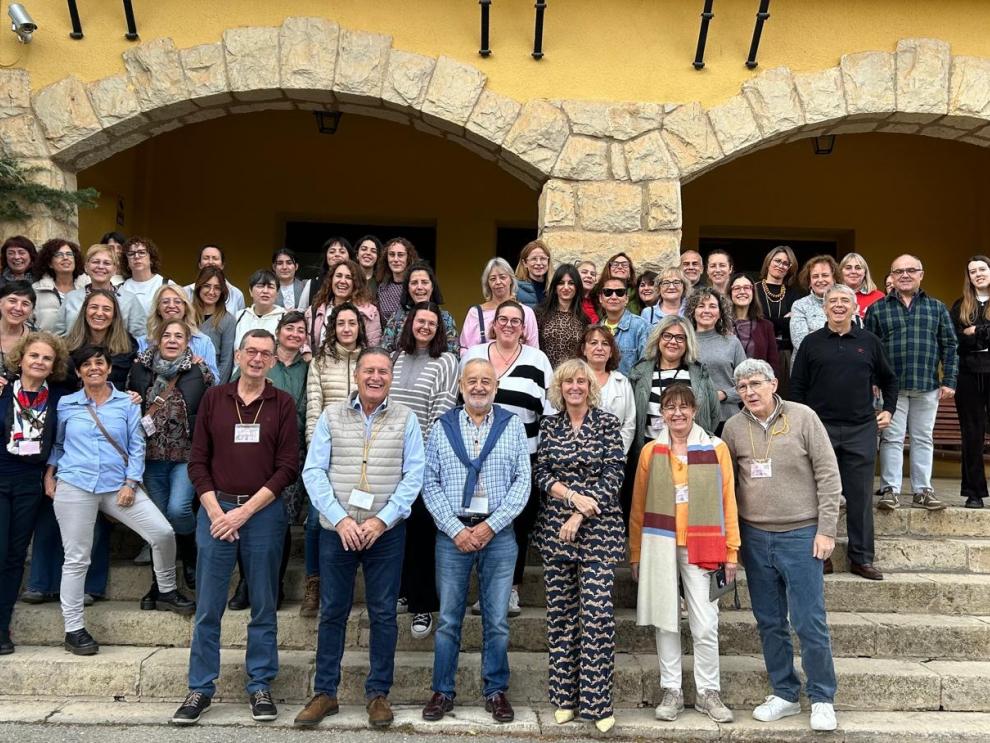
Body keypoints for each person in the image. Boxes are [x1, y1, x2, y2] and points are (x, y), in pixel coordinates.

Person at [172, 329, 299, 726]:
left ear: (274, 361)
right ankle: (200, 688)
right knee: (208, 607)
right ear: (239, 355)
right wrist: (215, 510)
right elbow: (197, 461)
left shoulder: (282, 403)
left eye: (266, 353)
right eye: (251, 352)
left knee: (263, 604)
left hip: (262, 515)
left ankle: (260, 684)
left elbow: (287, 468)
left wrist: (243, 514)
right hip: (216, 510)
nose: (258, 359)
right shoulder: (214, 399)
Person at [297, 348, 425, 730]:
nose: (375, 377)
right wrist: (338, 519)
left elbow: (413, 474)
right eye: (369, 370)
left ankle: (378, 694)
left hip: (385, 533)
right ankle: (325, 692)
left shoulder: (406, 418)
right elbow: (314, 471)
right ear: (357, 376)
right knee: (333, 610)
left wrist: (383, 520)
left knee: (384, 613)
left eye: (383, 371)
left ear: (391, 377)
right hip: (338, 532)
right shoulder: (331, 416)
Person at [48, 344, 194, 656]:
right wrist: (50, 474)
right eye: (86, 365)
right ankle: (73, 629)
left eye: (99, 363)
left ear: (109, 367)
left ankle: (166, 589)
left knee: (163, 532)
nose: (93, 369)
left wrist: (132, 482)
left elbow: (136, 444)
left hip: (118, 486)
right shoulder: (66, 405)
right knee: (76, 559)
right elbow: (57, 444)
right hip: (75, 485)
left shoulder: (125, 403)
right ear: (78, 372)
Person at [721, 359, 841, 733]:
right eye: (742, 387)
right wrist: (733, 540)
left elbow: (828, 474)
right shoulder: (733, 427)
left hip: (802, 534)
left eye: (755, 384)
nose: (749, 392)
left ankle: (822, 697)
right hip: (755, 538)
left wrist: (827, 530)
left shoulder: (804, 417)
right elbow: (727, 486)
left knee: (809, 621)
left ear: (773, 383)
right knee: (769, 622)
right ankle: (786, 693)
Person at [419, 358, 530, 723]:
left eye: (486, 381)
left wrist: (490, 527)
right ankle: (442, 691)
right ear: (461, 386)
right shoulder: (442, 427)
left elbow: (522, 484)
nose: (479, 386)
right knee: (449, 619)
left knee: (496, 620)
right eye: (472, 381)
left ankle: (495, 691)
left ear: (495, 387)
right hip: (452, 536)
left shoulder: (512, 426)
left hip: (498, 535)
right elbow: (429, 482)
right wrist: (455, 529)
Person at [629, 384, 739, 724]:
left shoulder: (716, 448)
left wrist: (731, 552)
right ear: (661, 413)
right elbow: (638, 506)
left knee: (705, 624)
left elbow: (727, 501)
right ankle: (672, 690)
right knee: (666, 621)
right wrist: (635, 553)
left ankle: (708, 692)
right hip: (660, 545)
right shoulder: (651, 451)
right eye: (670, 407)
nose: (677, 413)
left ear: (695, 410)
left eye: (684, 407)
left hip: (704, 545)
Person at [533, 359, 625, 733]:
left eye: (581, 381)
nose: (575, 387)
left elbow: (615, 473)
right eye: (568, 381)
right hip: (556, 531)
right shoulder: (549, 425)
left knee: (597, 614)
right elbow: (541, 472)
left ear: (590, 386)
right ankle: (564, 698)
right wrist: (570, 498)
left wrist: (580, 514)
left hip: (599, 530)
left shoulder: (606, 423)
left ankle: (598, 703)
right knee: (561, 615)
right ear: (560, 386)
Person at [25, 289, 134, 600]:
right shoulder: (67, 346)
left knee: (97, 518)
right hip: (67, 425)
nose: (100, 313)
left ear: (115, 315)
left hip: (108, 431)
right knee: (53, 509)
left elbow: (133, 384)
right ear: (85, 310)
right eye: (94, 307)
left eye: (107, 309)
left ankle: (91, 585)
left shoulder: (127, 347)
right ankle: (42, 582)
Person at [791, 284, 898, 580]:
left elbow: (890, 380)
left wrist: (888, 408)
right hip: (819, 428)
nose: (838, 305)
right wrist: (802, 422)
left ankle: (861, 558)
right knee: (816, 495)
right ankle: (820, 556)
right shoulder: (812, 343)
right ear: (824, 308)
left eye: (844, 301)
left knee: (860, 495)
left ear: (854, 307)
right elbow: (797, 385)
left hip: (860, 428)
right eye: (832, 301)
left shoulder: (869, 341)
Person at [463, 300, 554, 617]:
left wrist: (542, 454)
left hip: (522, 461)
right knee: (480, 522)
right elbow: (459, 400)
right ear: (493, 323)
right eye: (503, 319)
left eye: (516, 320)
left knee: (516, 527)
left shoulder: (537, 360)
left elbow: (550, 410)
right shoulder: (474, 355)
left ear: (524, 326)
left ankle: (511, 591)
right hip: (476, 461)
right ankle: (485, 590)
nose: (509, 325)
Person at [227, 312, 309, 613]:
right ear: (279, 332)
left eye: (302, 330)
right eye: (290, 328)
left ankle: (273, 583)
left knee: (281, 519)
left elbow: (304, 406)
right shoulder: (253, 365)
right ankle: (246, 581)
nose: (296, 334)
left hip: (290, 450)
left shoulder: (308, 368)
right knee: (245, 515)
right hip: (249, 451)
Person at [127, 319, 215, 597]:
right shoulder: (140, 367)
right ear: (158, 338)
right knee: (160, 520)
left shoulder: (199, 370)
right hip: (151, 457)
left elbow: (211, 409)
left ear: (187, 341)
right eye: (167, 335)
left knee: (179, 509)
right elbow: (129, 403)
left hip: (185, 455)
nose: (173, 340)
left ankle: (189, 556)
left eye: (179, 336)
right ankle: (160, 580)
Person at [388, 302, 459, 639]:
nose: (425, 327)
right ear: (410, 323)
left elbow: (442, 411)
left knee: (421, 531)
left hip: (424, 459)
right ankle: (402, 589)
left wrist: (418, 459)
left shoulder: (446, 361)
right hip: (390, 458)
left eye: (432, 322)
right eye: (421, 321)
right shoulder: (395, 359)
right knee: (394, 528)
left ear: (439, 328)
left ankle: (423, 605)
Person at [866, 254, 958, 512]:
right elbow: (869, 350)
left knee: (922, 438)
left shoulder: (937, 308)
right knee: (892, 438)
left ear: (921, 274)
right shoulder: (878, 308)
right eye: (899, 271)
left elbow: (950, 346)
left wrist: (949, 379)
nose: (904, 275)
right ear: (891, 277)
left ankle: (922, 490)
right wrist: (872, 380)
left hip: (927, 384)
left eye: (911, 270)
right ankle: (890, 490)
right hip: (890, 387)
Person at [0, 331, 68, 654]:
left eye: (46, 358)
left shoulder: (58, 399)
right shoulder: (2, 392)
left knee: (15, 557)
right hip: (0, 478)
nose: (39, 362)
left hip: (31, 482)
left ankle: (2, 628)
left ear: (53, 366)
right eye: (34, 356)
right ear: (21, 358)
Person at [301, 302, 368, 618]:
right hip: (328, 452)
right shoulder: (320, 362)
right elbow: (314, 408)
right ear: (333, 327)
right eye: (340, 323)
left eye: (352, 323)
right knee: (317, 519)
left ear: (359, 326)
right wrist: (316, 452)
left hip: (365, 453)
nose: (346, 328)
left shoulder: (370, 360)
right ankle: (314, 581)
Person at [629, 316, 720, 451]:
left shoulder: (699, 373)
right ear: (658, 338)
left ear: (687, 342)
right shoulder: (639, 372)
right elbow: (630, 416)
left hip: (691, 451)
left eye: (680, 338)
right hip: (650, 450)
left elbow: (714, 413)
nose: (673, 342)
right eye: (667, 336)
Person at [951, 256, 990, 509]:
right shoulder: (960, 306)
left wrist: (976, 331)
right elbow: (956, 341)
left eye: (983, 269)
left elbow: (970, 336)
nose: (978, 274)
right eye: (973, 271)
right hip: (967, 374)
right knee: (972, 434)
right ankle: (974, 492)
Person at [687, 287, 747, 434]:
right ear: (692, 312)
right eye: (701, 306)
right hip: (690, 419)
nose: (706, 310)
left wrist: (723, 395)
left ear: (720, 313)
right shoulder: (684, 342)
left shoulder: (732, 342)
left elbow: (747, 383)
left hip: (727, 419)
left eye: (712, 306)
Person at [55, 244, 143, 337]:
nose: (100, 267)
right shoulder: (71, 298)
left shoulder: (129, 300)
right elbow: (59, 335)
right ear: (86, 267)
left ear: (115, 269)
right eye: (96, 262)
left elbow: (140, 337)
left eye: (107, 263)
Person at [137, 284, 220, 382]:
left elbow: (215, 381)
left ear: (185, 308)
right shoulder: (144, 341)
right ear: (158, 309)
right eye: (165, 302)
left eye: (177, 301)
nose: (171, 306)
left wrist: (201, 369)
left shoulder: (203, 342)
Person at [459, 258, 539, 352]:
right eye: (493, 279)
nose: (498, 282)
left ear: (511, 280)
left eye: (502, 277)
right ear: (487, 284)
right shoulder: (475, 313)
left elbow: (533, 349)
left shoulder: (527, 312)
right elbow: (465, 349)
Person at [381, 262, 458, 353]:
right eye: (414, 283)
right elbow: (384, 353)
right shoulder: (396, 318)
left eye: (424, 282)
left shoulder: (445, 318)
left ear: (432, 287)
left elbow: (453, 354)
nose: (419, 287)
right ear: (408, 288)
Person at [581, 325, 636, 454]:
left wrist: (616, 452)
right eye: (593, 343)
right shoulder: (574, 380)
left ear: (611, 352)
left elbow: (629, 423)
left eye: (605, 344)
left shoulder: (622, 382)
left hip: (615, 457)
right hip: (578, 455)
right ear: (584, 349)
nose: (599, 348)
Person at [754, 246, 802, 392]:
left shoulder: (795, 294)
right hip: (758, 351)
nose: (781, 265)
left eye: (786, 263)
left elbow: (794, 325)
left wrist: (768, 320)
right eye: (777, 261)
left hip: (785, 355)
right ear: (768, 262)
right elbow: (755, 322)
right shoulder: (753, 290)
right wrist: (782, 320)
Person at [305, 259, 381, 349]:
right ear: (331, 280)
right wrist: (307, 352)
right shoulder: (315, 310)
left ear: (356, 283)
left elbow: (372, 349)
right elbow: (302, 338)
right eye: (338, 276)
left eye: (348, 277)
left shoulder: (369, 313)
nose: (342, 281)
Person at [596, 277, 650, 376]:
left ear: (626, 299)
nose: (613, 296)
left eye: (619, 292)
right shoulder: (596, 330)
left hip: (630, 390)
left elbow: (646, 368)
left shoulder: (641, 326)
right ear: (601, 298)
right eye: (608, 292)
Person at [191, 266, 236, 384]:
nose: (211, 292)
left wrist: (215, 389)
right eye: (207, 286)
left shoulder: (228, 320)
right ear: (199, 287)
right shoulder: (186, 315)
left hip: (212, 383)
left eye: (217, 288)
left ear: (222, 291)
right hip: (186, 381)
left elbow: (226, 361)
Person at [31, 239, 88, 333]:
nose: (65, 257)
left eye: (69, 254)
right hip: (47, 344)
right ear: (50, 264)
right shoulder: (37, 289)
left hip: (80, 346)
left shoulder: (87, 287)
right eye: (58, 255)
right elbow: (28, 322)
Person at [537, 264, 587, 369]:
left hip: (572, 378)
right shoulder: (539, 313)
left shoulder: (584, 320)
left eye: (571, 283)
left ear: (577, 287)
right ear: (555, 288)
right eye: (561, 283)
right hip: (544, 375)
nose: (566, 287)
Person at [729, 273, 780, 375]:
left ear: (753, 292)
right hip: (727, 387)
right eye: (737, 288)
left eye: (747, 287)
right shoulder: (721, 325)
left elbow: (773, 364)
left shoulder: (766, 326)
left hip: (757, 386)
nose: (742, 291)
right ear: (729, 293)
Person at [789, 255, 839, 359]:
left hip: (839, 365)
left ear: (834, 279)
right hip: (808, 366)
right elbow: (801, 342)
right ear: (810, 282)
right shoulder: (799, 305)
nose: (820, 280)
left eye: (825, 275)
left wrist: (814, 334)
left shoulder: (845, 303)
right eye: (815, 276)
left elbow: (851, 336)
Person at [119, 237, 171, 326]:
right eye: (131, 254)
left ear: (151, 259)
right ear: (127, 262)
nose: (136, 256)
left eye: (142, 252)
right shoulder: (120, 288)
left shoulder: (166, 285)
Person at [182, 245, 245, 314]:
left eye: (215, 258)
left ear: (222, 265)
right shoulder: (184, 292)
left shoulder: (236, 294)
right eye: (206, 258)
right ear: (199, 264)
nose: (211, 262)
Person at [235, 270, 286, 348]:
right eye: (260, 286)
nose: (265, 291)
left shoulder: (285, 318)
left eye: (270, 287)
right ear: (250, 291)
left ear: (277, 293)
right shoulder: (239, 317)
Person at [376, 237, 420, 325]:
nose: (395, 259)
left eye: (400, 255)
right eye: (392, 254)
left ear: (408, 258)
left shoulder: (417, 287)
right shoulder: (382, 288)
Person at [838, 252, 885, 321]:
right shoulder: (831, 296)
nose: (853, 271)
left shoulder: (879, 297)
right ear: (841, 272)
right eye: (848, 268)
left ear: (865, 272)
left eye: (858, 268)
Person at [0, 282, 37, 369]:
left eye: (25, 304)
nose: (18, 308)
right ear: (0, 303)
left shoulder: (38, 338)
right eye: (12, 301)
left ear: (32, 310)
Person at [514, 240, 552, 308]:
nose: (538, 263)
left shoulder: (554, 287)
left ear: (548, 262)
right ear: (525, 263)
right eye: (534, 259)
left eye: (543, 258)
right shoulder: (515, 289)